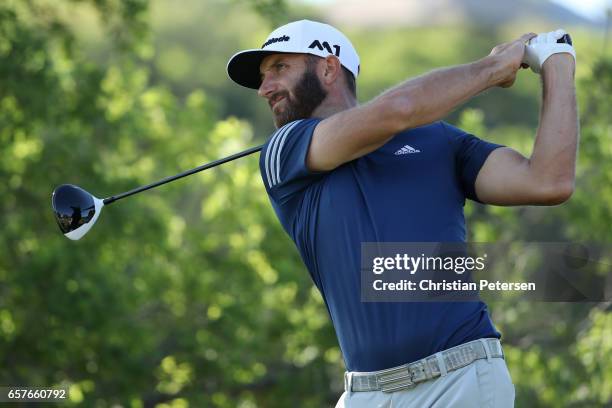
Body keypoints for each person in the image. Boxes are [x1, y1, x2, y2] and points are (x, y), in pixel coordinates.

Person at [227, 20, 577, 407]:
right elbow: (399, 109)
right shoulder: (283, 151)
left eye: (279, 68)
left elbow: (548, 182)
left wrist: (557, 63)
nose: (264, 88)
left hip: (462, 380)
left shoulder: (438, 140)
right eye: (263, 77)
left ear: (328, 69)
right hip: (366, 393)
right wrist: (493, 68)